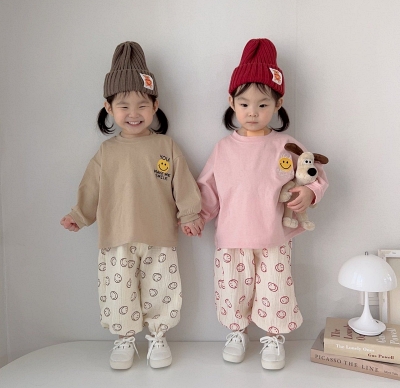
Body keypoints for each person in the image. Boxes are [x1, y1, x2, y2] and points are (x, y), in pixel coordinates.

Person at [60, 41, 204, 370]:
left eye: (142, 105)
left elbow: (183, 183)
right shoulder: (106, 152)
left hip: (160, 236)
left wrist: (190, 214)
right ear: (108, 108)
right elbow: (91, 187)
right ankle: (124, 338)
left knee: (161, 290)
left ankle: (158, 336)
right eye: (123, 105)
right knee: (118, 291)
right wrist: (79, 215)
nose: (134, 113)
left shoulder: (166, 146)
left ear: (155, 106)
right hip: (116, 237)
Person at [197, 38, 328, 370]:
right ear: (231, 102)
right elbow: (208, 188)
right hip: (231, 238)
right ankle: (236, 332)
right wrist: (198, 216)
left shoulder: (286, 145)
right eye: (244, 104)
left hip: (273, 236)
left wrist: (310, 193)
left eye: (262, 104)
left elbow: (314, 172)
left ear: (278, 103)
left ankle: (273, 336)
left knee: (275, 290)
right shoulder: (223, 148)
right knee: (233, 291)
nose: (252, 112)